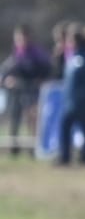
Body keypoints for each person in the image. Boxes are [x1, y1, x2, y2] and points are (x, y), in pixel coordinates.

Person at [1, 25, 52, 155]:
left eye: (22, 37)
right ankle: (14, 149)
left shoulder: (36, 53)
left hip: (31, 92)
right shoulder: (16, 53)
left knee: (32, 120)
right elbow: (6, 72)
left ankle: (33, 149)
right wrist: (8, 80)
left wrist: (40, 80)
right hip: (16, 93)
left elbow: (46, 69)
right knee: (14, 119)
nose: (20, 40)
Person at [57, 27, 85, 167]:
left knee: (84, 129)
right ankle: (67, 157)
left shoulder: (84, 59)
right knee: (69, 127)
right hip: (72, 102)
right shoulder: (73, 57)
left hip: (80, 102)